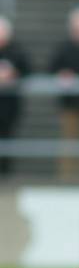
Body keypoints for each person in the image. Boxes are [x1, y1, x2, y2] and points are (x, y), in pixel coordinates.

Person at [50, 8, 79, 181]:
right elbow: (53, 68)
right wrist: (62, 75)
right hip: (70, 106)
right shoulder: (64, 48)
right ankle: (67, 179)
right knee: (69, 143)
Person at [0, 16, 30, 175]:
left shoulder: (16, 50)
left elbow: (26, 68)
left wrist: (13, 73)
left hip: (9, 105)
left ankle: (5, 172)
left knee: (7, 136)